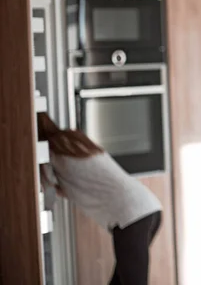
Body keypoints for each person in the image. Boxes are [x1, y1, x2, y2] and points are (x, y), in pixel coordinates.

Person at [37, 112, 162, 285]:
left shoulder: (50, 154)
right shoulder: (74, 140)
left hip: (131, 217)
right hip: (149, 208)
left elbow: (47, 193)